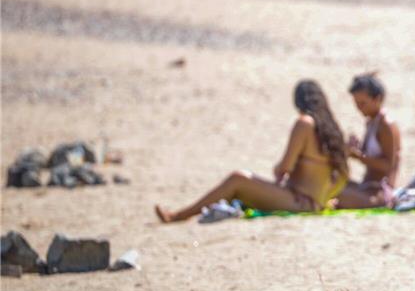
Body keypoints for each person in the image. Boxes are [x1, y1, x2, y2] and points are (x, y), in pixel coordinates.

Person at [154, 80, 349, 222]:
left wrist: (282, 172)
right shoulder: (332, 129)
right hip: (314, 203)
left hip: (298, 201)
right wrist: (323, 198)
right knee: (240, 186)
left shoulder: (304, 123)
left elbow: (283, 168)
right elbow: (343, 176)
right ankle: (182, 214)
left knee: (237, 178)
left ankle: (179, 215)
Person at [335, 73, 402, 209]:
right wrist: (354, 149)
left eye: (363, 103)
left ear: (377, 99)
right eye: (356, 104)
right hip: (367, 186)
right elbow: (369, 156)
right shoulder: (372, 122)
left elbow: (388, 165)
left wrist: (358, 156)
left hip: (380, 193)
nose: (359, 108)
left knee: (335, 192)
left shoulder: (386, 125)